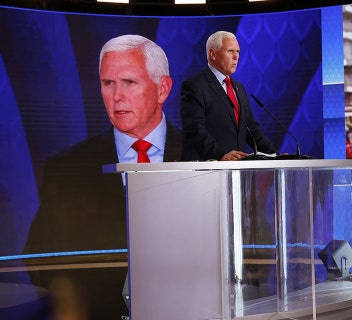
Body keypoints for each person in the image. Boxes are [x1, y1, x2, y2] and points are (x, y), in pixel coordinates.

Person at [23, 34, 182, 320]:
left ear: (162, 89)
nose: (117, 96)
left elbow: (253, 247)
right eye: (108, 83)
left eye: (129, 82)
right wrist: (68, 299)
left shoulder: (209, 156)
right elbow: (39, 256)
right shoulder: (67, 168)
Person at [180, 30, 276, 161]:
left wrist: (277, 155)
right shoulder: (194, 85)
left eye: (237, 51)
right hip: (205, 170)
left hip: (236, 171)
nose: (236, 57)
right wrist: (220, 155)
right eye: (230, 51)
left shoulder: (239, 88)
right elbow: (195, 129)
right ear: (212, 54)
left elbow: (251, 130)